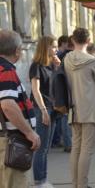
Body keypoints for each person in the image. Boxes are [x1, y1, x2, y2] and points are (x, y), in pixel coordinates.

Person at [64, 28, 95, 188]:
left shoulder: (66, 59)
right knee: (86, 149)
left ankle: (75, 184)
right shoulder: (91, 61)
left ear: (73, 40)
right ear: (88, 41)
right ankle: (83, 184)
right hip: (89, 108)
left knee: (76, 147)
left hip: (73, 108)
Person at [0, 30, 40, 188]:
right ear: (17, 51)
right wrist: (29, 132)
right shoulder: (6, 71)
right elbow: (8, 105)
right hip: (10, 140)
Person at [30, 36, 60, 187]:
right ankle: (39, 181)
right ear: (45, 47)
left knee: (46, 148)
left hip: (53, 108)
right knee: (41, 148)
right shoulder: (36, 66)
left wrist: (59, 67)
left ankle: (43, 179)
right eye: (54, 47)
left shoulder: (53, 65)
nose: (57, 50)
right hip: (42, 108)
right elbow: (35, 90)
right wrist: (43, 110)